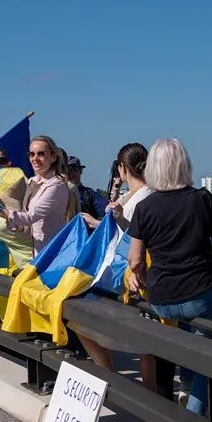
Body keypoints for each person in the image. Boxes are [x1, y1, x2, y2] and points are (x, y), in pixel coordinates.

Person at [128, 138, 212, 422]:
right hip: (199, 292)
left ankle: (186, 388)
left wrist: (143, 280)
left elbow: (135, 260)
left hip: (162, 297)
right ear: (184, 165)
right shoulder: (201, 199)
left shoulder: (145, 206)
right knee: (208, 358)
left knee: (187, 340)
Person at [73, 143, 161, 394]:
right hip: (124, 272)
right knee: (138, 341)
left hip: (128, 273)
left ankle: (125, 387)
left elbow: (134, 232)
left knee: (138, 341)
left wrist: (105, 220)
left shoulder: (142, 197)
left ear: (122, 168)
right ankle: (132, 389)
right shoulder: (139, 194)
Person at [7, 136, 75, 255]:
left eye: (41, 154)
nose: (35, 159)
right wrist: (18, 226)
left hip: (55, 254)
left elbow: (30, 217)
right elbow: (29, 224)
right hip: (38, 253)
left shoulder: (56, 185)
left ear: (53, 157)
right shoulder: (32, 182)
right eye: (31, 154)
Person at [68, 156, 109, 226]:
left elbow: (106, 208)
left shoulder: (89, 194)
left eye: (74, 169)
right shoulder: (58, 193)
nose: (71, 173)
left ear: (80, 171)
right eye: (68, 170)